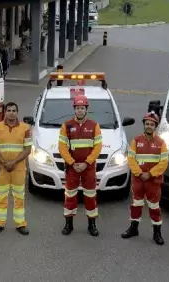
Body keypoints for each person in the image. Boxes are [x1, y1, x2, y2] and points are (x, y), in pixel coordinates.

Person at [58, 94, 103, 236]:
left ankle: (92, 225)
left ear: (86, 109)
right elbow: (62, 147)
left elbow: (98, 147)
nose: (80, 110)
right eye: (77, 108)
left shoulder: (94, 125)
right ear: (74, 109)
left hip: (88, 168)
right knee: (70, 196)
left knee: (90, 196)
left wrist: (86, 163)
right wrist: (72, 163)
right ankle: (68, 224)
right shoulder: (66, 125)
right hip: (72, 168)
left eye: (82, 108)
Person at [121, 112, 168, 245]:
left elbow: (164, 162)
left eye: (152, 124)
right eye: (147, 124)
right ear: (144, 125)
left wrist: (150, 174)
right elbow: (131, 159)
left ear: (155, 126)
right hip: (139, 179)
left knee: (154, 207)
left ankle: (157, 233)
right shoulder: (136, 141)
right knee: (136, 205)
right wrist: (140, 173)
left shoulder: (161, 143)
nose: (149, 126)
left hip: (153, 181)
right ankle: (133, 229)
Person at [0, 102, 32, 235]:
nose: (11, 113)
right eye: (9, 110)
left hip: (18, 169)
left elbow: (28, 149)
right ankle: (0, 223)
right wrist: (4, 163)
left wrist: (13, 162)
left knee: (19, 197)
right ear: (5, 112)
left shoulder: (25, 128)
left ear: (17, 113)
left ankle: (20, 224)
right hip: (2, 169)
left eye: (14, 111)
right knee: (1, 196)